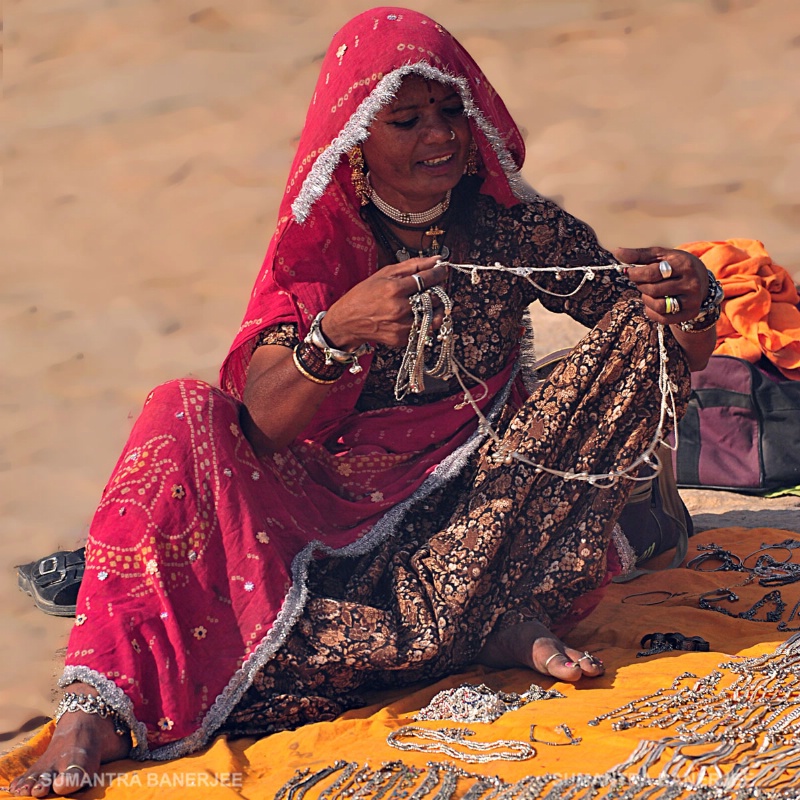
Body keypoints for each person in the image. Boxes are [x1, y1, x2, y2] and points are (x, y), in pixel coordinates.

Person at [10, 6, 721, 796]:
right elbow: (265, 425)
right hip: (334, 519)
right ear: (356, 135)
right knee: (180, 410)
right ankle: (89, 709)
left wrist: (689, 306)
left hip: (483, 501)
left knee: (626, 343)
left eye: (452, 112)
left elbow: (651, 351)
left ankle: (506, 606)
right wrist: (334, 336)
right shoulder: (320, 247)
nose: (440, 137)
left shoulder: (513, 227)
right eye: (407, 120)